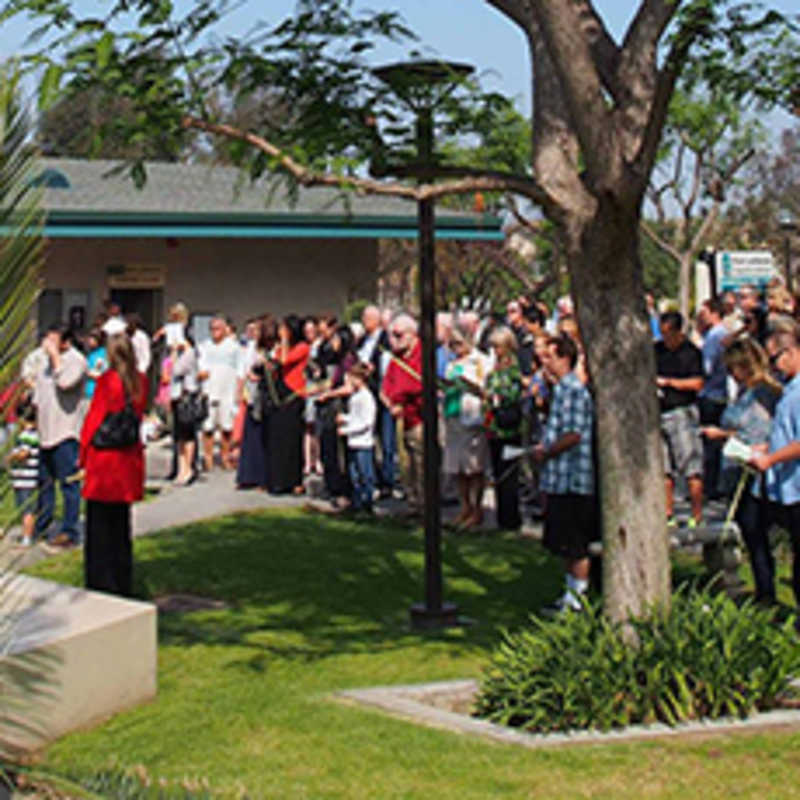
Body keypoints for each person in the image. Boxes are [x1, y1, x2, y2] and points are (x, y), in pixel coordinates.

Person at [701, 338, 781, 603]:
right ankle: (762, 587)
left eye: (734, 368)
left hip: (754, 470)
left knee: (755, 531)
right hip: (737, 467)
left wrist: (724, 435)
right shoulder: (744, 393)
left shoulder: (764, 394)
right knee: (750, 533)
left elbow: (758, 431)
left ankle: (766, 592)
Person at [79, 333, 148, 596]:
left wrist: (83, 454)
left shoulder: (109, 381)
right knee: (121, 529)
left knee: (99, 529)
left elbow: (94, 420)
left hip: (105, 463)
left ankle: (100, 582)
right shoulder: (139, 381)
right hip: (127, 460)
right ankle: (122, 580)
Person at [535, 334, 596, 612]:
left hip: (574, 479)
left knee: (576, 543)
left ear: (564, 357)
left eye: (549, 357)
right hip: (559, 479)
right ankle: (569, 593)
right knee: (563, 543)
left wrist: (548, 451)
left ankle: (578, 599)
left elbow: (575, 434)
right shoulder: (559, 390)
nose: (543, 363)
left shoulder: (573, 390)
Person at [749, 325, 800, 614]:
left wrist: (772, 459)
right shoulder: (789, 390)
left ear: (791, 352)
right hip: (787, 488)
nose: (773, 366)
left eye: (775, 358)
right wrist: (767, 450)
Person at [34, 325, 87, 550]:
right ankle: (42, 525)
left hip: (65, 433)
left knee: (69, 485)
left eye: (53, 340)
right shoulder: (44, 364)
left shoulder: (76, 361)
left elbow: (65, 383)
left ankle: (70, 530)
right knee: (44, 484)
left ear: (65, 342)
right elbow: (38, 396)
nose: (48, 344)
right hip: (45, 433)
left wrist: (56, 357)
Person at [656, 311, 704, 527]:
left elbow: (697, 383)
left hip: (682, 411)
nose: (666, 339)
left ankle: (697, 514)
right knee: (664, 467)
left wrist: (669, 383)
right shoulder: (656, 350)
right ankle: (668, 512)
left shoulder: (691, 353)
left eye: (669, 334)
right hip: (659, 411)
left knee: (690, 465)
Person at [443, 322, 490, 528]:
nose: (455, 349)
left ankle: (477, 508)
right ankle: (465, 507)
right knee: (458, 467)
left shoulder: (480, 361)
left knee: (474, 467)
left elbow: (486, 389)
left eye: (458, 344)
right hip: (454, 416)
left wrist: (470, 385)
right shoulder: (451, 363)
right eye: (452, 345)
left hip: (472, 417)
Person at [381, 313, 423, 517]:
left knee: (421, 464)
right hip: (401, 419)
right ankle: (412, 503)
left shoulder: (422, 355)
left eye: (398, 335)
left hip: (419, 418)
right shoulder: (396, 360)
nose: (393, 340)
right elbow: (386, 386)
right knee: (406, 465)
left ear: (411, 335)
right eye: (391, 336)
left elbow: (418, 386)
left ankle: (424, 506)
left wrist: (402, 400)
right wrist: (391, 402)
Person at [484, 326, 523, 530]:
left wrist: (497, 396)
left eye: (498, 346)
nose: (495, 350)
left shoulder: (512, 368)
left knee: (509, 473)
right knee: (498, 472)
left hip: (509, 426)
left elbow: (513, 393)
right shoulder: (495, 367)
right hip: (494, 427)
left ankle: (511, 518)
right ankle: (502, 516)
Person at [266, 314, 309, 494]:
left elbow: (285, 360)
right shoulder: (283, 347)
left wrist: (284, 341)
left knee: (292, 439)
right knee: (278, 438)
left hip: (294, 393)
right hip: (279, 393)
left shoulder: (302, 347)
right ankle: (278, 480)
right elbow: (275, 361)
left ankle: (294, 480)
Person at [198, 313, 241, 471]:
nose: (215, 331)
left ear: (225, 329)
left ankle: (225, 456)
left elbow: (240, 371)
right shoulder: (204, 346)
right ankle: (208, 458)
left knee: (226, 427)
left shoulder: (233, 347)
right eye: (212, 328)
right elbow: (201, 367)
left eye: (218, 328)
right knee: (208, 426)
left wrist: (239, 391)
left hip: (227, 391)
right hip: (210, 390)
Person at [236, 317, 275, 489]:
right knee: (250, 435)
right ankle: (248, 475)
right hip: (252, 394)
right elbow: (244, 370)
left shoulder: (270, 349)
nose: (254, 333)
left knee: (262, 436)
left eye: (258, 330)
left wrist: (260, 371)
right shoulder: (250, 348)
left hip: (264, 395)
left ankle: (262, 477)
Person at [697, 297, 729, 499]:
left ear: (715, 314)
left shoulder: (713, 337)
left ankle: (709, 486)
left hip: (710, 394)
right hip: (721, 392)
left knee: (709, 442)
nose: (701, 317)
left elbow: (706, 367)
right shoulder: (724, 335)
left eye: (705, 313)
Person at [337, 363, 377, 515]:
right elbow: (355, 417)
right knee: (354, 474)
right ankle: (357, 502)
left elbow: (366, 422)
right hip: (353, 441)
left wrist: (347, 430)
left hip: (363, 442)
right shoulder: (356, 397)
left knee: (364, 474)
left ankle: (367, 502)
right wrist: (345, 419)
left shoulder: (367, 398)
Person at [169, 326, 200, 486]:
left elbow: (175, 370)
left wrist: (174, 353)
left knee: (187, 435)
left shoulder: (189, 354)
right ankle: (181, 469)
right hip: (177, 397)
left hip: (186, 398)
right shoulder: (184, 354)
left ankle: (188, 468)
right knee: (179, 437)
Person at [7, 398, 39, 547]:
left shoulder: (28, 435)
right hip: (22, 479)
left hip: (26, 479)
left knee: (27, 509)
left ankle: (27, 537)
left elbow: (24, 453)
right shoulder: (30, 434)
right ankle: (26, 534)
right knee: (23, 508)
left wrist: (11, 457)